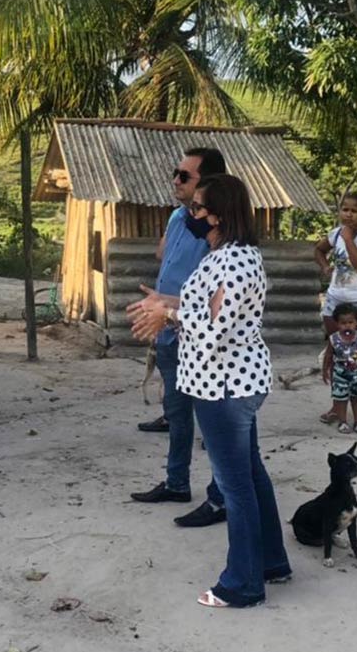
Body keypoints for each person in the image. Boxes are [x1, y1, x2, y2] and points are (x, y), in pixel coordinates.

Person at [127, 173, 292, 608]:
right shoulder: (226, 255)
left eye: (197, 208)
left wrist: (168, 316)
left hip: (225, 386)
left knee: (235, 487)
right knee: (250, 476)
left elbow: (215, 330)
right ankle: (271, 563)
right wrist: (166, 302)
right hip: (222, 382)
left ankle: (242, 585)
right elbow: (205, 308)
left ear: (218, 215)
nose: (190, 214)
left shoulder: (236, 261)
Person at [129, 147, 227, 530]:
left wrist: (171, 307)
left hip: (197, 331)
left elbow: (218, 293)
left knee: (213, 417)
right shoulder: (176, 217)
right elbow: (164, 257)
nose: (176, 180)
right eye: (176, 173)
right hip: (167, 325)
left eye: (184, 176)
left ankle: (220, 496)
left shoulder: (219, 229)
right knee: (176, 411)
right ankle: (176, 482)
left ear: (209, 184)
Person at [314, 193, 357, 430]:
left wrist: (348, 239)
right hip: (336, 299)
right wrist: (325, 267)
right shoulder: (335, 233)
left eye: (354, 211)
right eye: (344, 210)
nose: (348, 215)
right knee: (337, 353)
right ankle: (338, 406)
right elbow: (318, 250)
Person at [322, 302, 357, 434]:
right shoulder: (334, 338)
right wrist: (325, 371)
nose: (347, 325)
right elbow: (328, 355)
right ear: (337, 324)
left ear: (356, 322)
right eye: (343, 323)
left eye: (351, 322)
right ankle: (343, 422)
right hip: (340, 374)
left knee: (356, 398)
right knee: (341, 400)